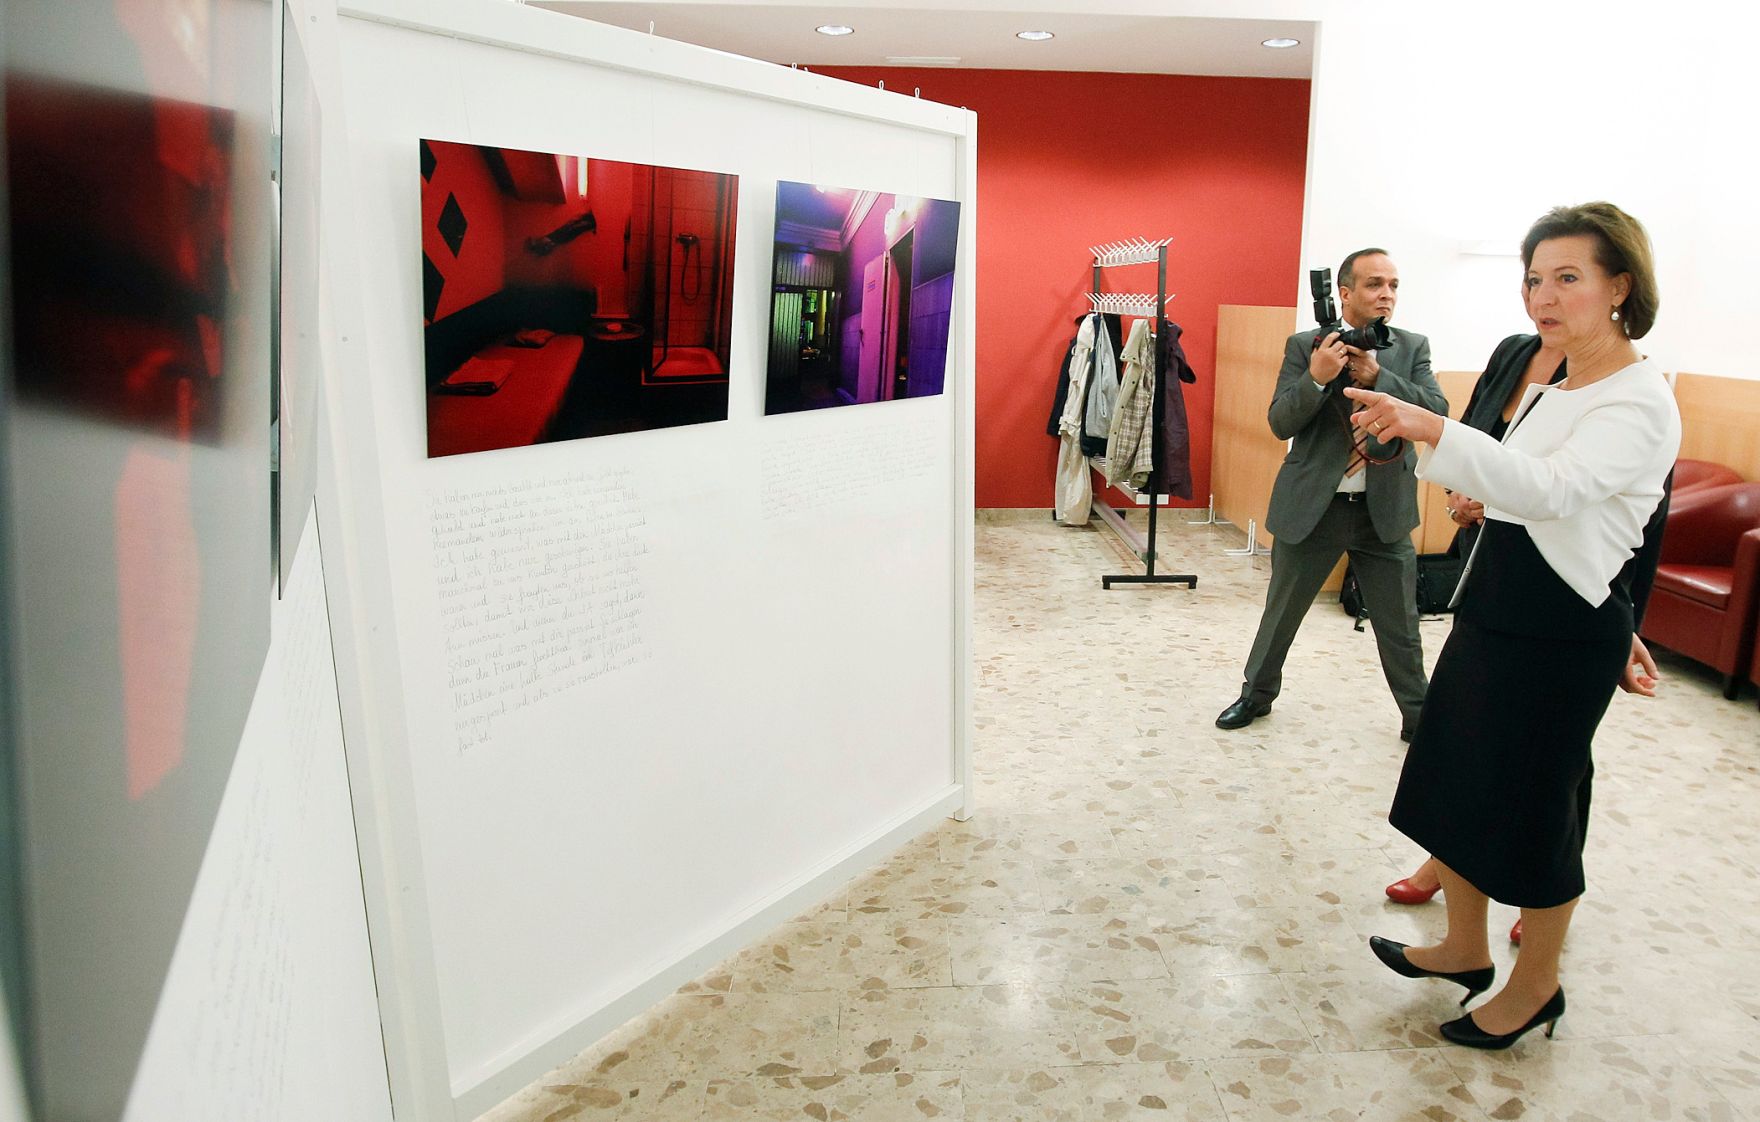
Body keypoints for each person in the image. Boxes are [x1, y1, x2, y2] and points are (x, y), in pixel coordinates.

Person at [1346, 202, 1679, 1049]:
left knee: (1535, 809)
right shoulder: (1556, 384)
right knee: (1455, 778)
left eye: (1568, 277)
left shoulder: (1639, 399)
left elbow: (1558, 494)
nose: (1544, 295)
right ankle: (1464, 947)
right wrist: (1478, 483)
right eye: (1534, 278)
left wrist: (1430, 425)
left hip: (1561, 632)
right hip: (1501, 607)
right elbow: (1534, 495)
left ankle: (1536, 988)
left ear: (1619, 287)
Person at [1216, 249, 1448, 740]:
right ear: (1344, 293)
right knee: (1282, 613)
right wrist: (1318, 376)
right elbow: (1280, 422)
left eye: (1393, 284)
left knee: (1400, 625)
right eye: (1374, 285)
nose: (1386, 294)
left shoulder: (1412, 348)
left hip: (1382, 512)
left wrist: (1380, 379)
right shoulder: (1305, 346)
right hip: (1313, 509)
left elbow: (1437, 411)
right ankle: (1256, 696)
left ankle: (1419, 716)